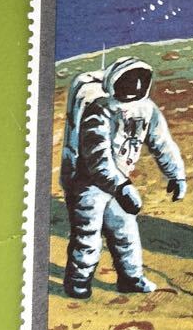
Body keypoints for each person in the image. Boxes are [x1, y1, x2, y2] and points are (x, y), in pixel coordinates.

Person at [60, 57, 186, 299]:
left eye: (140, 79)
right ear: (114, 81)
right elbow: (97, 156)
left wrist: (176, 174)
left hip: (119, 184)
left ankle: (130, 278)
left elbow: (162, 143)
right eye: (128, 79)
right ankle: (78, 282)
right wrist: (122, 186)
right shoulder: (100, 110)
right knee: (87, 236)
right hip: (89, 184)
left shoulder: (147, 109)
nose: (134, 85)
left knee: (125, 233)